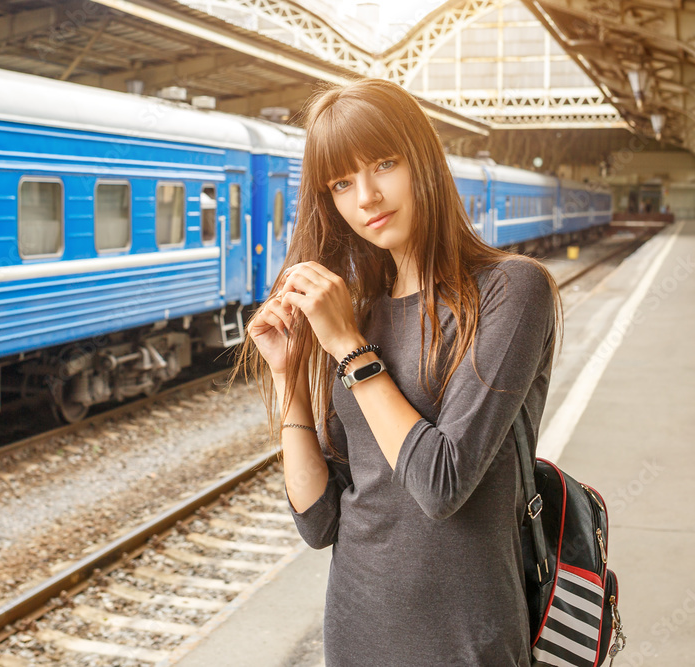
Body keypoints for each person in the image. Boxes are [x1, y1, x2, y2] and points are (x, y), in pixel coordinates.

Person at [230, 79, 563, 665]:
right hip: (357, 628)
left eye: (383, 164)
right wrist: (288, 379)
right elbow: (318, 519)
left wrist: (349, 350)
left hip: (467, 637)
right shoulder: (363, 311)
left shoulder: (510, 289)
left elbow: (441, 484)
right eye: (341, 182)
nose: (366, 196)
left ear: (424, 161)